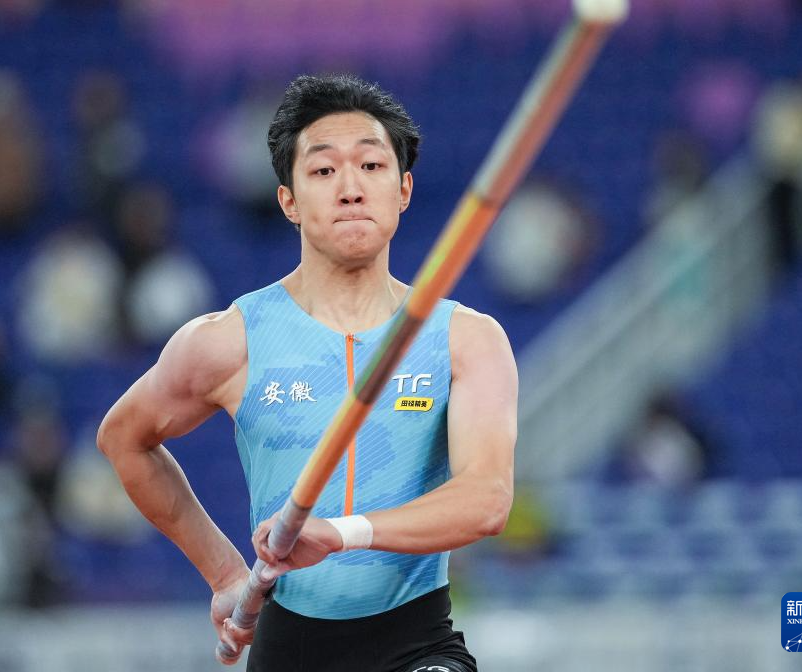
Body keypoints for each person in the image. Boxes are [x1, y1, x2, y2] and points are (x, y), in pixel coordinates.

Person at [97, 74, 518, 672]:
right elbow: (124, 439)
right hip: (289, 650)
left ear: (403, 189)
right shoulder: (230, 341)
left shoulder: (464, 340)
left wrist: (342, 533)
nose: (350, 188)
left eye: (371, 166)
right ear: (288, 200)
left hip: (417, 643)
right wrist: (224, 573)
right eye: (323, 171)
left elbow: (487, 501)